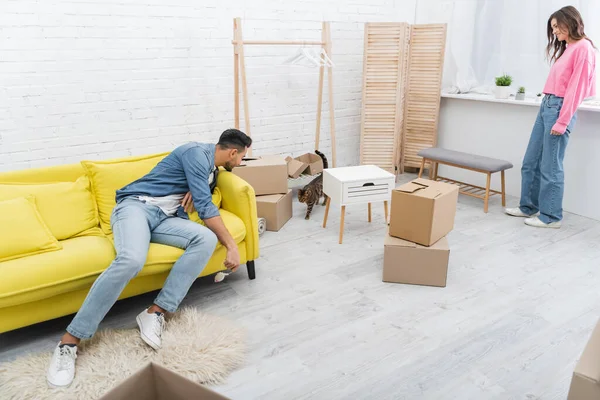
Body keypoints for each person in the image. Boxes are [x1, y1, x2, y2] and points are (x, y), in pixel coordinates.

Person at [46, 128, 252, 388]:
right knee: (131, 260)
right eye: (242, 157)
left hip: (165, 219)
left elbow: (201, 193)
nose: (241, 162)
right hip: (136, 208)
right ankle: (69, 341)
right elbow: (204, 205)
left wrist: (197, 187)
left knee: (205, 239)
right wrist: (231, 245)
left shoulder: (212, 169)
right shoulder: (196, 153)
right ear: (233, 152)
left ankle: (156, 312)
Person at [505, 6, 596, 228]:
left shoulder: (584, 48)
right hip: (547, 104)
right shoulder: (569, 48)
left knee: (550, 166)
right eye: (552, 27)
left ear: (570, 22)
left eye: (557, 26)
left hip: (559, 108)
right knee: (530, 161)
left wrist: (563, 120)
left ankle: (551, 216)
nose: (554, 31)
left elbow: (576, 89)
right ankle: (529, 206)